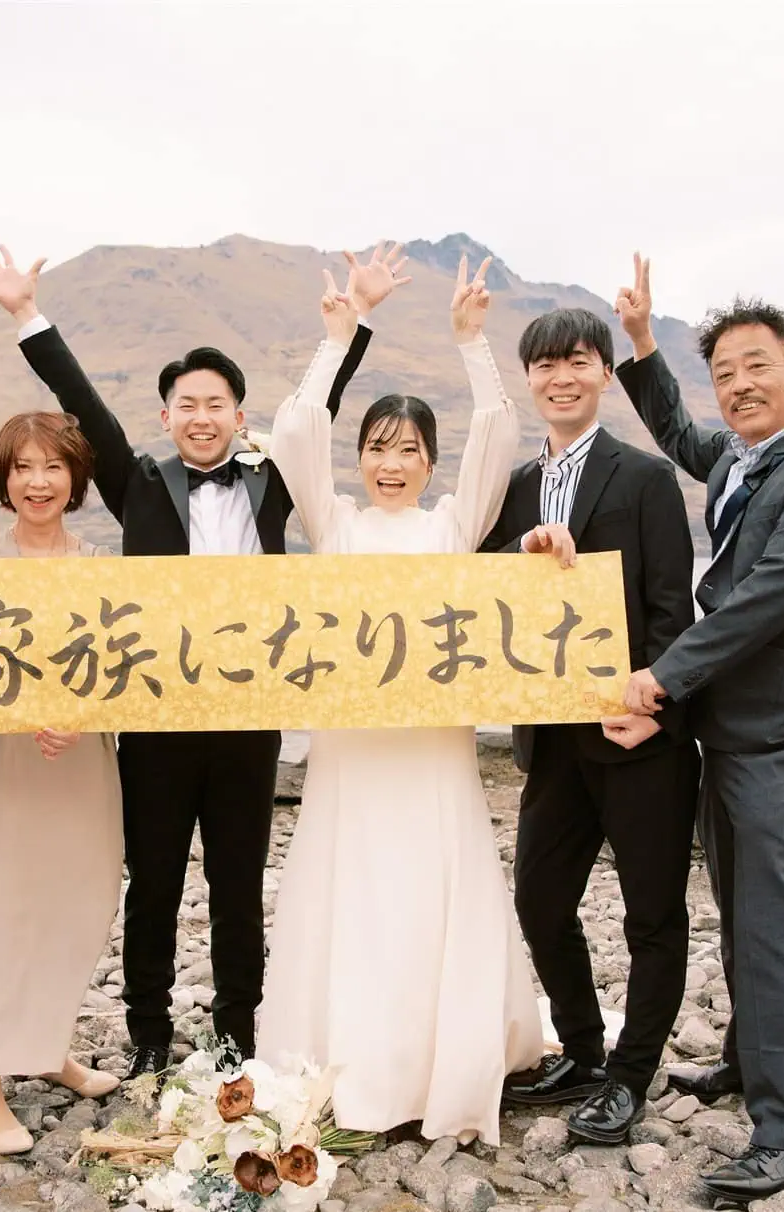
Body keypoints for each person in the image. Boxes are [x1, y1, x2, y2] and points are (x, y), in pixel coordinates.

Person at [0, 242, 394, 1075]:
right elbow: (80, 401)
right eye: (187, 404)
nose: (202, 416)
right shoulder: (138, 486)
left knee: (238, 887)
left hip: (248, 721)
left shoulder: (273, 478)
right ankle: (149, 1039)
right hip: (156, 725)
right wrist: (26, 313)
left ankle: (237, 1040)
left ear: (239, 414)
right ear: (165, 418)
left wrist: (355, 325)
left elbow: (316, 411)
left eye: (216, 404)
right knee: (154, 885)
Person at [257, 257, 554, 1144]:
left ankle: (443, 1068)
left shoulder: (451, 528)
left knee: (432, 892)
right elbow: (295, 431)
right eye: (378, 449)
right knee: (353, 896)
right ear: (360, 460)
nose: (393, 465)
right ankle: (348, 1068)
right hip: (351, 752)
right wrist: (339, 335)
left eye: (409, 450)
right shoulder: (336, 527)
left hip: (432, 748)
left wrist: (472, 343)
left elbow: (498, 436)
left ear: (430, 461)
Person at [612, 254, 784, 1203]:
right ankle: (745, 1059)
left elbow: (769, 596)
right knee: (738, 905)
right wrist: (642, 345)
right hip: (731, 727)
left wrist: (661, 677)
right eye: (724, 373)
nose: (738, 386)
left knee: (772, 925)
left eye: (756, 366)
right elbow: (683, 434)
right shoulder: (740, 457)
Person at [476, 303, 700, 1146]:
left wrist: (658, 712)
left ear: (605, 374)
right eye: (545, 365)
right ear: (529, 378)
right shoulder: (513, 488)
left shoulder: (644, 478)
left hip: (636, 737)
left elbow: (673, 608)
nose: (561, 378)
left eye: (578, 362)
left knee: (652, 915)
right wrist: (520, 555)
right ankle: (581, 1049)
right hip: (551, 739)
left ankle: (631, 1077)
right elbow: (478, 586)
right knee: (539, 898)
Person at [0, 412, 125, 1155]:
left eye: (53, 467)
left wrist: (84, 716)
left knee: (76, 903)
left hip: (82, 761)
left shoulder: (103, 566)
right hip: (6, 762)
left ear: (76, 477)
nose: (38, 483)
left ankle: (46, 1045)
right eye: (22, 468)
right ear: (2, 478)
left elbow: (128, 671)